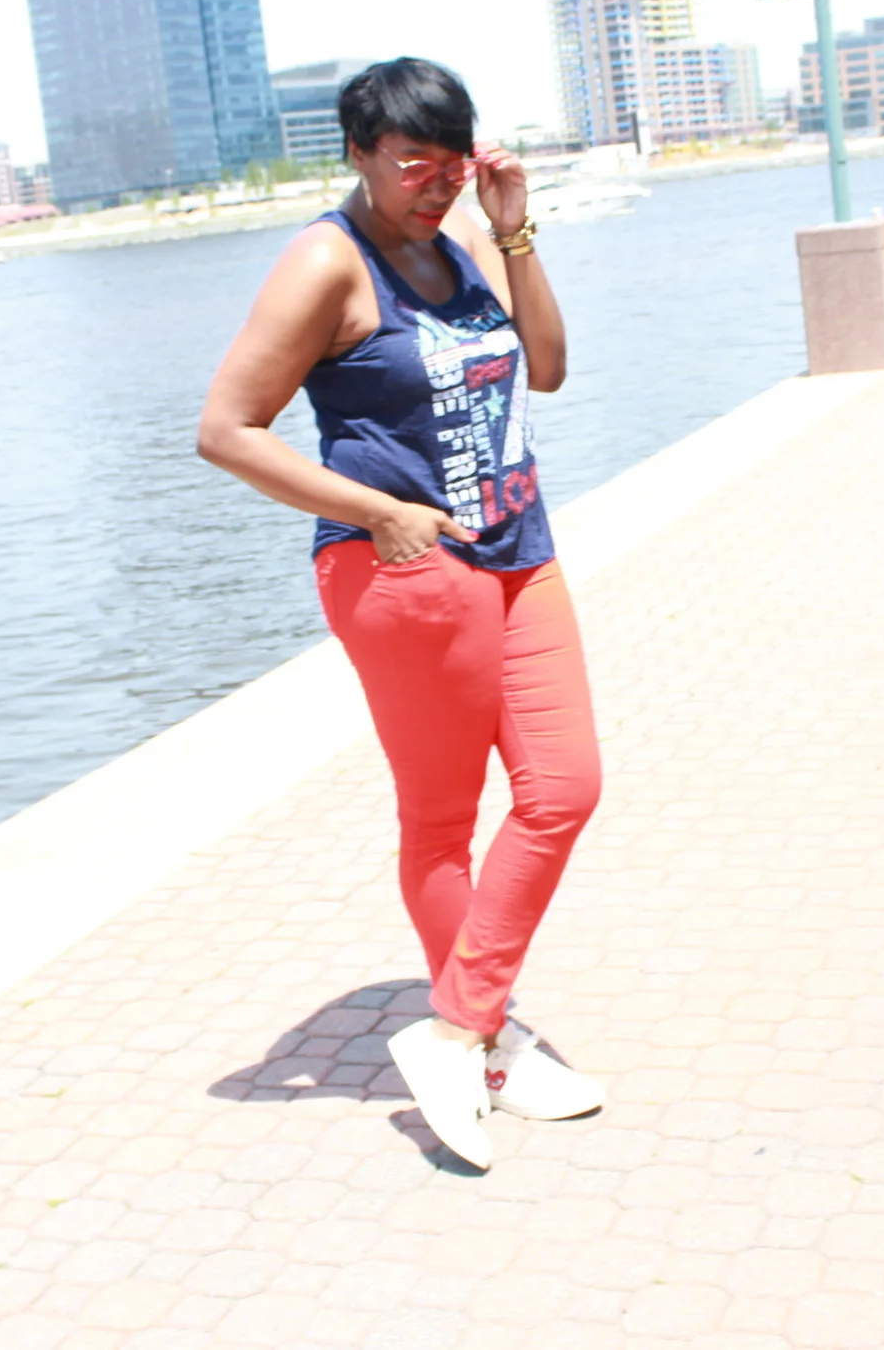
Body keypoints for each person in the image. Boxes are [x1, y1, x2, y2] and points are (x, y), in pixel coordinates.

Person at [198, 58, 603, 1168]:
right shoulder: (328, 261)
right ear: (360, 156)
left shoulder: (462, 238)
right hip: (407, 571)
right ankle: (490, 1046)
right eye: (411, 164)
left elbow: (548, 368)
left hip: (519, 550)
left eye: (451, 164)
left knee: (564, 788)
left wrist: (513, 230)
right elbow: (227, 428)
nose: (434, 184)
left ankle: (460, 1028)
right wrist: (378, 511)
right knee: (440, 819)